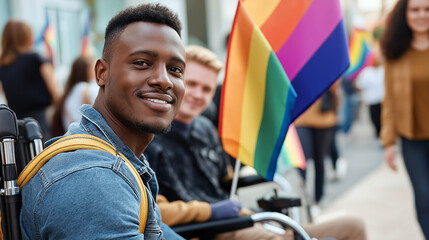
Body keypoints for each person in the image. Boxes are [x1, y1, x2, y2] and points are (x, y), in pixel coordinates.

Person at [145, 45, 367, 240]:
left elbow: (226, 180)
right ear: (175, 82)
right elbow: (153, 212)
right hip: (206, 230)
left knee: (352, 226)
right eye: (191, 84)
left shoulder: (205, 129)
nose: (197, 94)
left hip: (242, 221)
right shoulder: (149, 137)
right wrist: (210, 211)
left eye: (206, 89)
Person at [20, 3, 186, 239]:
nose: (164, 80)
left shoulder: (117, 157)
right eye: (141, 63)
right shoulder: (92, 179)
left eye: (175, 69)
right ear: (101, 73)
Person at [380, 0, 429, 238]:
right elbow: (388, 98)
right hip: (412, 140)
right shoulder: (394, 49)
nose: (422, 15)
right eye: (415, 9)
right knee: (424, 199)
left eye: (427, 9)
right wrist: (388, 141)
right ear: (405, 14)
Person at [0, 20, 61, 141]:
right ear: (27, 37)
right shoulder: (37, 59)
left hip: (16, 123)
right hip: (41, 120)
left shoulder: (2, 65)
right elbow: (55, 91)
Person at [294, 81, 340, 211]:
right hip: (301, 118)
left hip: (324, 120)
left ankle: (318, 199)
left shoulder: (329, 63)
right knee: (301, 162)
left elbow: (336, 86)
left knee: (319, 160)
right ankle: (301, 199)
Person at [51, 56, 98, 136]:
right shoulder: (84, 88)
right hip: (85, 139)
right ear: (86, 70)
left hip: (72, 139)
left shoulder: (70, 91)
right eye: (93, 67)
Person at [355, 40, 384, 139]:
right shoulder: (367, 72)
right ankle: (377, 133)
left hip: (382, 99)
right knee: (374, 118)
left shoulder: (384, 70)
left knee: (383, 118)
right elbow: (359, 85)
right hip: (371, 100)